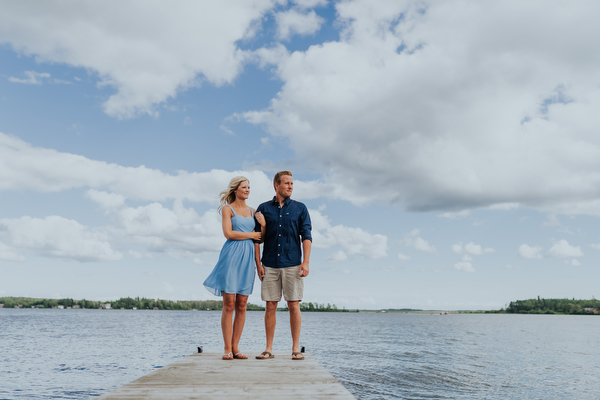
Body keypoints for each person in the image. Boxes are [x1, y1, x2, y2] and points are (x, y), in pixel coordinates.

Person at [203, 176, 265, 360]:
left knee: (242, 304)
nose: (247, 190)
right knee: (229, 304)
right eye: (244, 187)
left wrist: (258, 263)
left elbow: (259, 239)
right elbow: (228, 233)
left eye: (249, 187)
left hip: (248, 259)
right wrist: (253, 233)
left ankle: (236, 347)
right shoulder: (227, 209)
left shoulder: (254, 211)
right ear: (235, 189)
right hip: (231, 258)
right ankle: (227, 348)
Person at [254, 171, 312, 360]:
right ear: (276, 185)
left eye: (292, 184)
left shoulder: (300, 208)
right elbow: (257, 239)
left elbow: (307, 236)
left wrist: (306, 262)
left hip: (293, 263)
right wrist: (258, 264)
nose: (290, 186)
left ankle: (295, 348)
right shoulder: (263, 208)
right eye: (287, 183)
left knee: (293, 304)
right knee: (270, 305)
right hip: (269, 264)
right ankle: (268, 348)